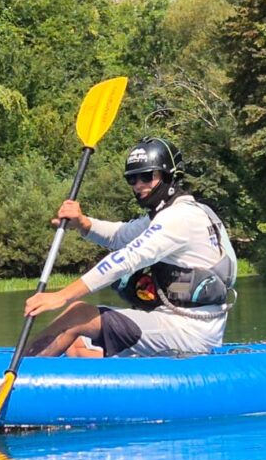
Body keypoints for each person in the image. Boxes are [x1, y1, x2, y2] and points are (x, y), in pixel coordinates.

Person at [24, 137, 237, 358]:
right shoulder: (177, 213)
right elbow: (120, 236)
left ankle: (20, 372)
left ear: (169, 176)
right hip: (180, 325)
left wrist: (62, 296)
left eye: (146, 176)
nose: (138, 185)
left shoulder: (179, 218)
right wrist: (82, 223)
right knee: (77, 346)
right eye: (132, 179)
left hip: (188, 331)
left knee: (78, 314)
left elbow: (127, 258)